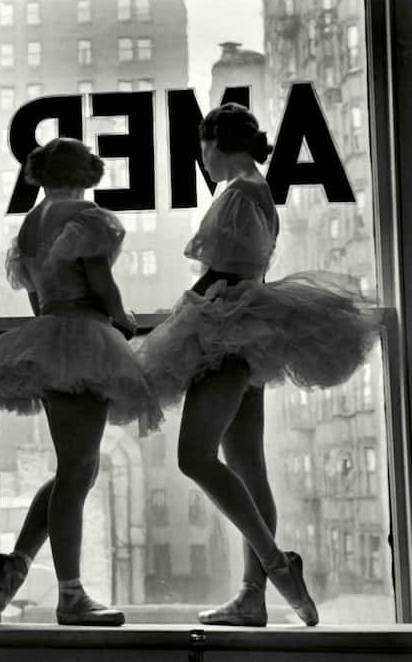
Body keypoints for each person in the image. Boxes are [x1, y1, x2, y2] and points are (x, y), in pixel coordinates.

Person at [138, 104, 379, 627]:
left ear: (213, 142)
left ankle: (274, 567)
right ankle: (252, 596)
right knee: (247, 467)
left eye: (202, 149)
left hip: (226, 331)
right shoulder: (257, 191)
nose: (202, 161)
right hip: (244, 332)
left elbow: (223, 270)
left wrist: (176, 323)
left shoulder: (241, 193)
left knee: (193, 456)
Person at [0, 137, 162, 626]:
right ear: (84, 173)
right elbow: (101, 282)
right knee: (77, 471)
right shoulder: (86, 217)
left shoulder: (30, 224)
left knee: (77, 469)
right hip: (85, 335)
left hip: (50, 334)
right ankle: (71, 594)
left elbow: (35, 296)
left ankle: (17, 565)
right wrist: (123, 317)